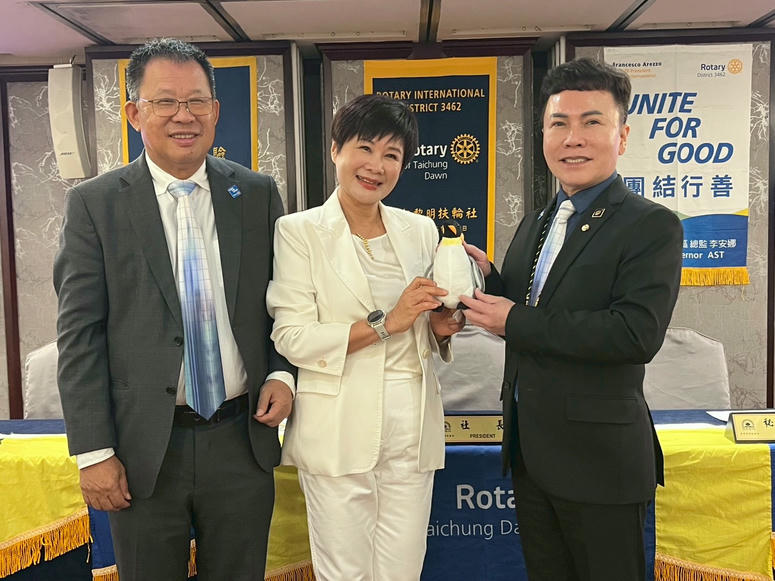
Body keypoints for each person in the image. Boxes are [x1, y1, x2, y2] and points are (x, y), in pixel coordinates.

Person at [54, 38, 295, 581]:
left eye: (196, 101)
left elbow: (286, 300)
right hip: (142, 451)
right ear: (135, 113)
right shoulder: (95, 204)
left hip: (241, 439)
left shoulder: (257, 194)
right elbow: (79, 335)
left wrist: (282, 373)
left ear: (216, 110)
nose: (183, 116)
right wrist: (93, 451)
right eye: (165, 101)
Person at [460, 58, 683, 580]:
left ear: (622, 135)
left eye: (591, 122)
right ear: (543, 135)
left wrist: (514, 319)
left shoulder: (651, 225)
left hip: (601, 462)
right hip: (531, 454)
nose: (572, 138)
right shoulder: (537, 222)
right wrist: (488, 282)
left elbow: (635, 333)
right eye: (558, 123)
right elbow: (532, 305)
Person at [266, 93, 463, 581]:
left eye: (392, 155)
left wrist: (440, 329)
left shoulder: (421, 231)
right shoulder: (298, 232)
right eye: (365, 148)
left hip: (411, 427)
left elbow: (422, 327)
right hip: (338, 426)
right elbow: (292, 336)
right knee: (344, 573)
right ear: (336, 149)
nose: (377, 165)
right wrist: (386, 323)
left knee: (403, 570)